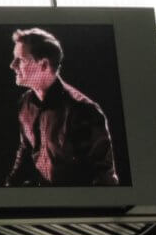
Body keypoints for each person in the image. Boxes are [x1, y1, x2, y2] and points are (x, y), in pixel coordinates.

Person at [6, 28, 119, 186]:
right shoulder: (26, 104)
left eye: (21, 60)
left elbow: (103, 176)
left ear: (44, 64)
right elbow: (26, 152)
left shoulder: (82, 110)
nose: (12, 65)